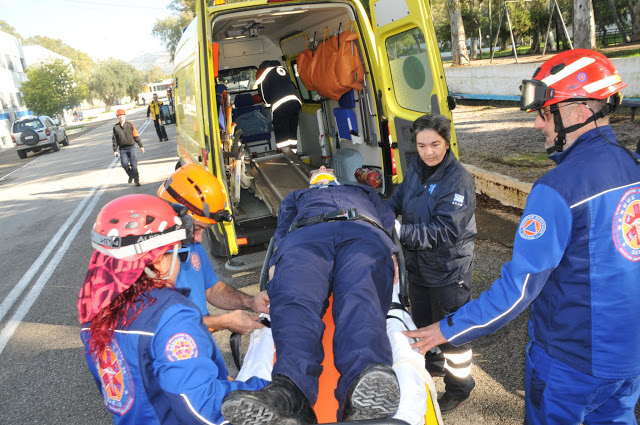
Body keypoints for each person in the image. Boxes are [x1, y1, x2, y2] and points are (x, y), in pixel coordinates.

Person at [405, 49, 640, 425]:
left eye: (545, 114)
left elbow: (518, 289)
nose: (538, 126)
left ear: (579, 110)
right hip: (627, 361)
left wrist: (446, 329)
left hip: (570, 362)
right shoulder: (631, 166)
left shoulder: (557, 188)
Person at [221, 166, 401, 425]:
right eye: (318, 170)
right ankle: (290, 392)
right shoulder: (297, 197)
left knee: (360, 297)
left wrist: (390, 248)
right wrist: (275, 261)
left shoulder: (361, 190)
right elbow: (282, 229)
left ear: (336, 175)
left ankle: (362, 387)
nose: (323, 169)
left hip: (363, 231)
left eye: (326, 168)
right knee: (295, 299)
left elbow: (386, 217)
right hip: (305, 236)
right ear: (313, 179)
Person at [78, 194, 268, 424]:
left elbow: (142, 383)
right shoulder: (171, 315)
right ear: (157, 260)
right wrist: (271, 391)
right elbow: (202, 409)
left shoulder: (96, 310)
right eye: (177, 252)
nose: (179, 261)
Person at [386, 114, 477, 413]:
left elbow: (446, 230)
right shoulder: (416, 167)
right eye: (422, 145)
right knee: (423, 323)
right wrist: (382, 216)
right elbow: (399, 197)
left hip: (449, 270)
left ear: (447, 141)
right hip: (420, 266)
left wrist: (401, 232)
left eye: (435, 144)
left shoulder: (458, 180)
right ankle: (433, 364)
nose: (429, 152)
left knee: (454, 335)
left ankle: (460, 387)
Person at [157, 164, 269, 334]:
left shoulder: (189, 244)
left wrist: (250, 302)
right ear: (175, 215)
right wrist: (223, 322)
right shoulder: (148, 264)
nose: (200, 239)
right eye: (196, 229)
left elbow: (212, 289)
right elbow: (161, 324)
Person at [255, 60, 302, 151]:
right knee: (291, 131)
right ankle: (293, 154)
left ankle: (285, 156)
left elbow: (263, 95)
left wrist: (267, 103)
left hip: (280, 105)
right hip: (295, 102)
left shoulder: (262, 73)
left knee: (282, 133)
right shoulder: (282, 69)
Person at [112, 109, 144, 187]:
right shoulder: (116, 127)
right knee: (124, 164)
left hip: (131, 148)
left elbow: (136, 136)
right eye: (119, 116)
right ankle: (131, 175)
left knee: (134, 165)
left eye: (122, 115)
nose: (121, 117)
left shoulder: (130, 125)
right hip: (122, 149)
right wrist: (115, 150)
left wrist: (141, 146)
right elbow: (114, 139)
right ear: (117, 117)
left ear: (125, 116)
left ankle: (136, 180)